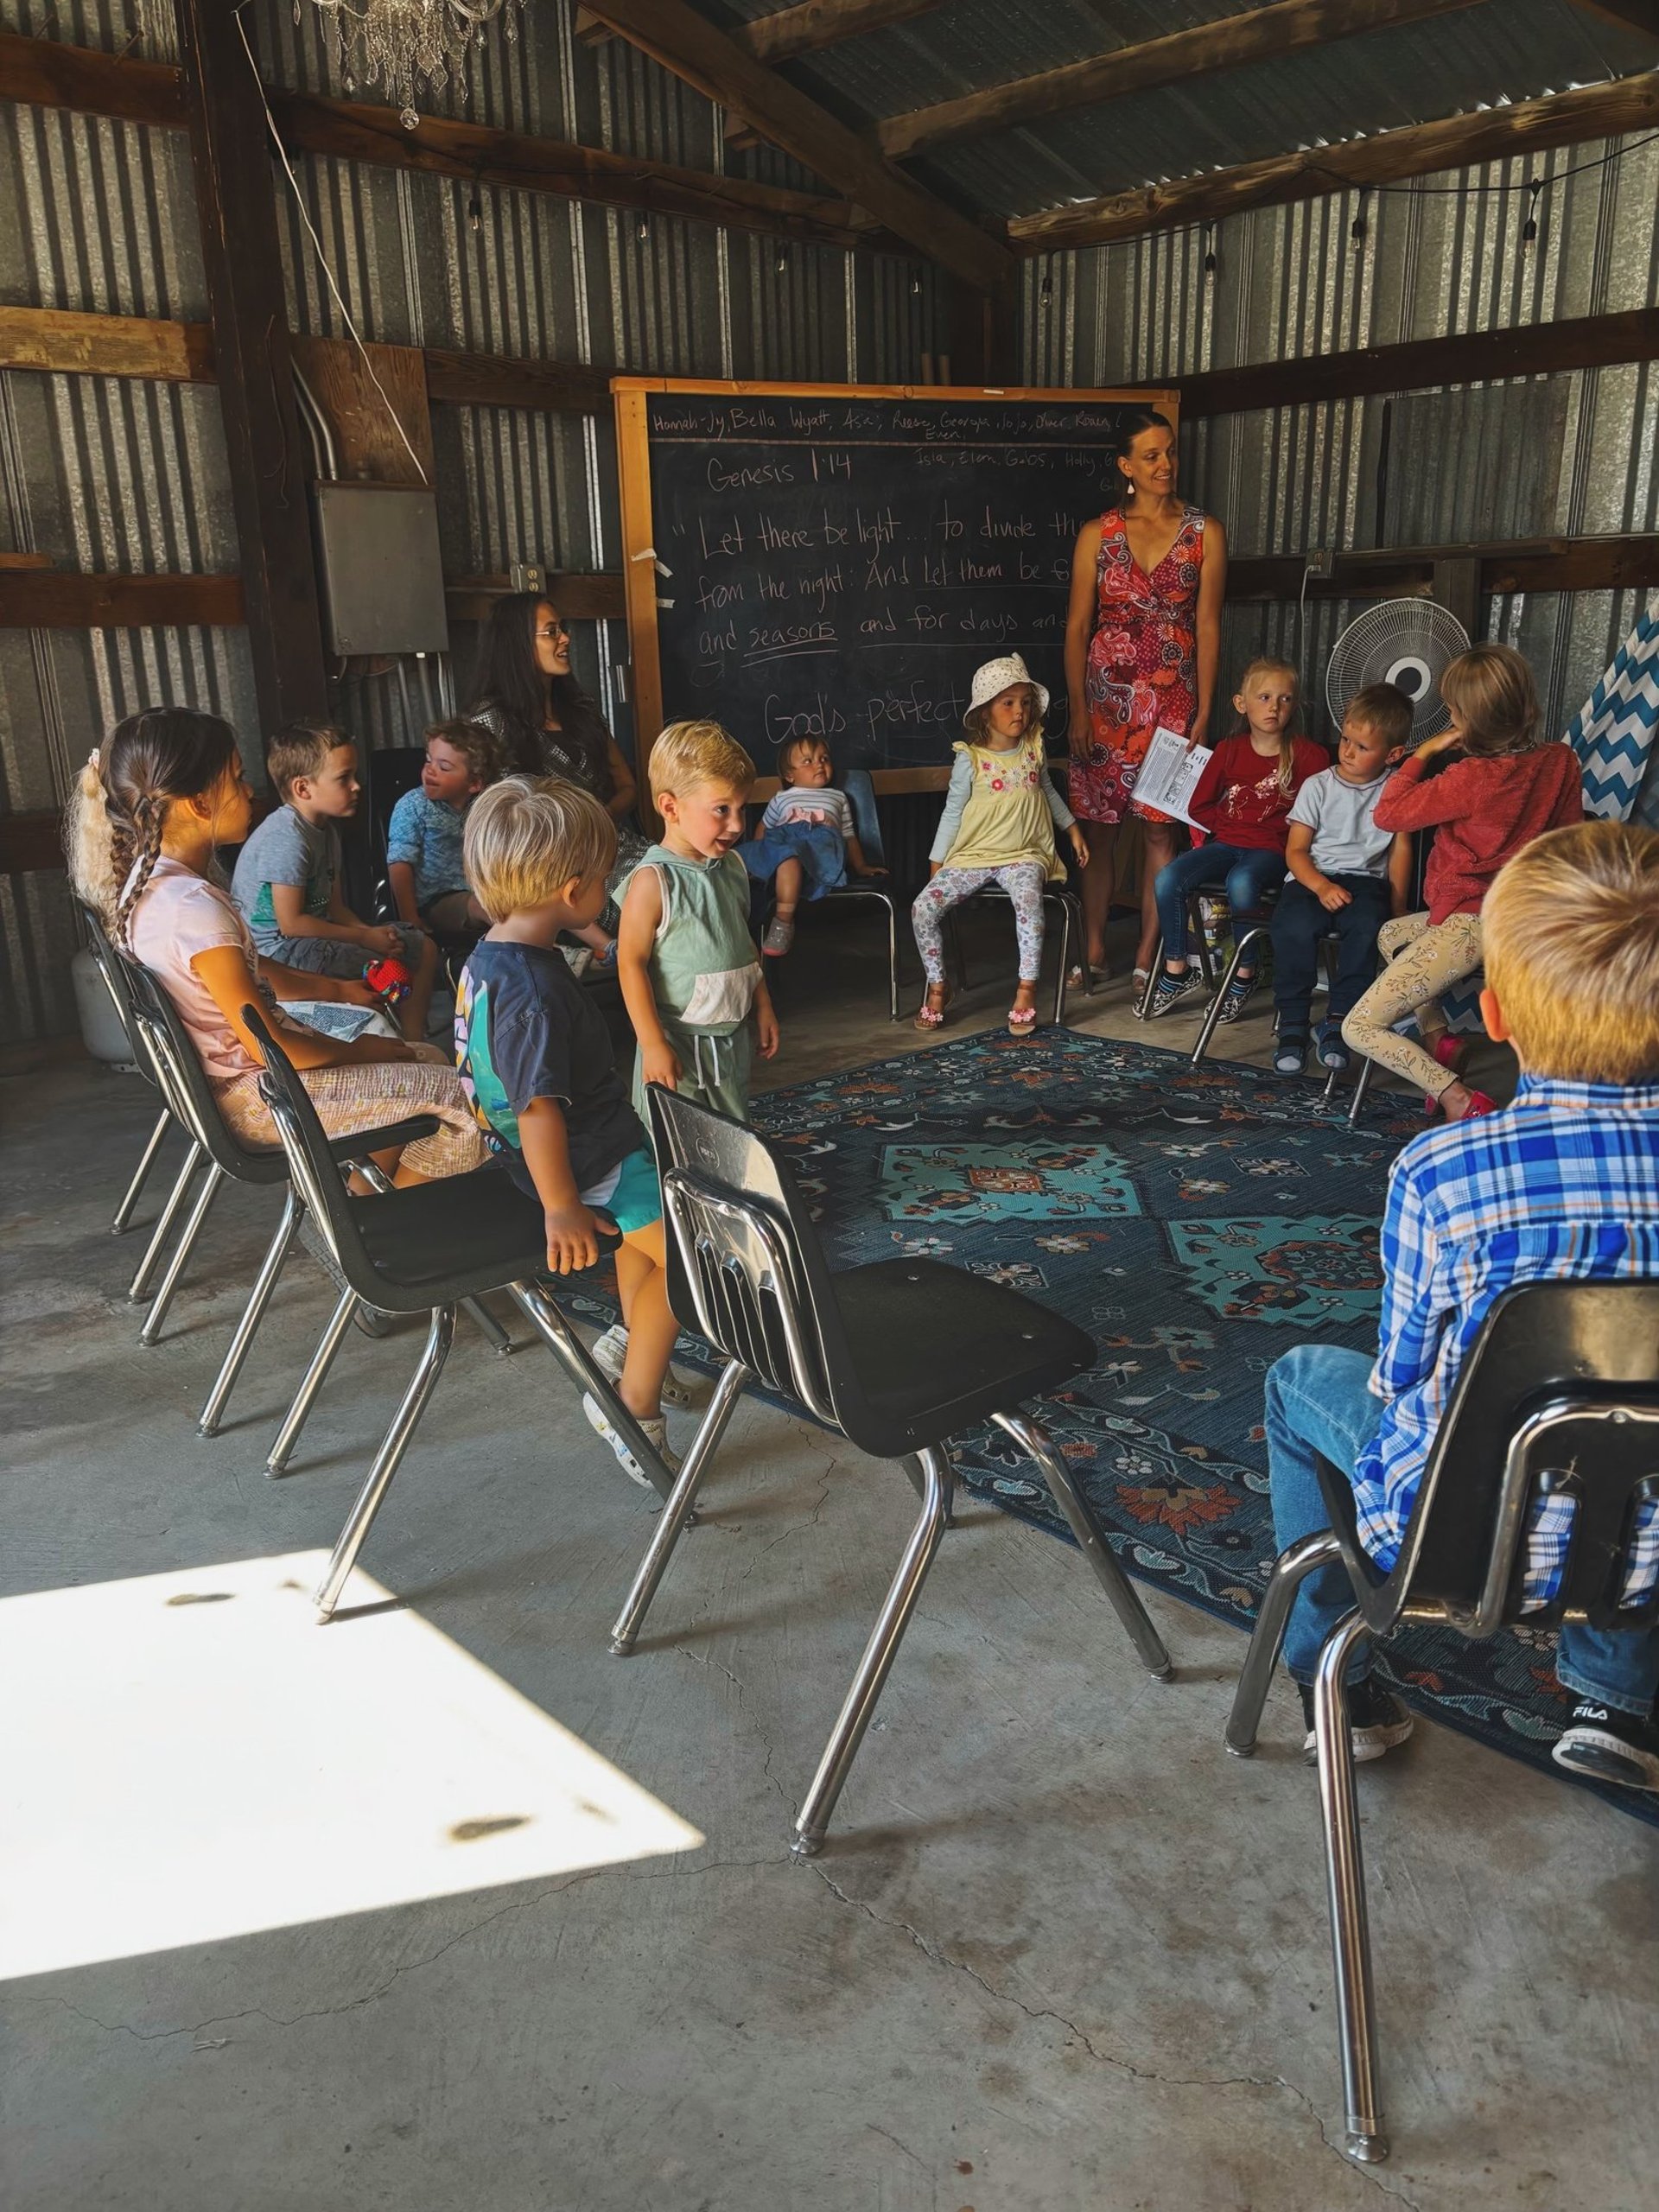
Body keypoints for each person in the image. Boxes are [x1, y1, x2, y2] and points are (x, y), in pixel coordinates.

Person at [1262, 820, 1659, 1786]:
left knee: (1298, 1381)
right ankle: (1617, 1701)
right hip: (1650, 1560)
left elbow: (1402, 1374)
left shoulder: (1444, 1172)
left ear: (1495, 1014)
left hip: (1454, 1537)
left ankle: (1333, 1681)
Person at [71, 708, 487, 1184]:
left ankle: (372, 1199)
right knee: (462, 1095)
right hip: (262, 1098)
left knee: (427, 1061)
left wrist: (338, 992)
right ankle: (387, 1230)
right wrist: (366, 1049)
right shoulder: (192, 911)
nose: (250, 791)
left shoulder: (154, 885)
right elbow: (276, 1048)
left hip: (245, 1086)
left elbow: (252, 973)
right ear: (198, 804)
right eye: (237, 778)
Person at [454, 777, 683, 1484]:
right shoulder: (536, 994)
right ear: (573, 889)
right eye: (606, 879)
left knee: (643, 1251)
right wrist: (561, 1205)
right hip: (592, 1157)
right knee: (691, 1266)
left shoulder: (491, 958)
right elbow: (537, 1109)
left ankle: (626, 1343)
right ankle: (632, 1407)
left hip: (581, 1150)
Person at [1343, 643, 1584, 1122]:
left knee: (1361, 1027)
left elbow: (1389, 813)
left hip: (1470, 925)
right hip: (1518, 917)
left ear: (1469, 721)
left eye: (1452, 712)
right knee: (1392, 934)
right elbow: (1568, 844)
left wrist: (1425, 751)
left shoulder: (1471, 777)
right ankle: (1440, 1040)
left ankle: (1458, 1097)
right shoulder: (1560, 760)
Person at [1065, 406, 1227, 985]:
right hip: (1105, 706)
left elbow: (1207, 626)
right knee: (1101, 829)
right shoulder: (1098, 533)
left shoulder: (1205, 531)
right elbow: (1077, 627)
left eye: (1171, 452)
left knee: (1161, 829)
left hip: (1173, 702)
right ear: (1126, 465)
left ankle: (1146, 953)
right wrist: (1079, 710)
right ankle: (1092, 950)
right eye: (1152, 455)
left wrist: (1206, 708)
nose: (1166, 464)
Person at [912, 654, 1090, 1039]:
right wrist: (937, 860)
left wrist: (1072, 829)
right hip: (973, 855)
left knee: (1028, 899)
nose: (1020, 712)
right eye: (1007, 703)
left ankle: (1027, 988)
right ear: (985, 713)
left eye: (1026, 702)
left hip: (1024, 854)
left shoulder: (1033, 749)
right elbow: (952, 812)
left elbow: (1048, 793)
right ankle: (938, 985)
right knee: (922, 908)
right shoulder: (970, 759)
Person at [466, 591, 647, 963]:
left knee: (680, 878)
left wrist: (601, 819)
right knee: (650, 900)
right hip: (557, 868)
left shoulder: (581, 710)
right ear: (518, 644)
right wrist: (579, 835)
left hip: (616, 845)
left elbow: (627, 785)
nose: (565, 638)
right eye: (551, 632)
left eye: (561, 630)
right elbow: (500, 826)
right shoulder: (491, 722)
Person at [230, 721, 438, 1045]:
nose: (356, 786)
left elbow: (336, 908)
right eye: (344, 778)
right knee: (377, 968)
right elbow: (292, 924)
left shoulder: (327, 831)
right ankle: (393, 1047)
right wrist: (364, 938)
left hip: (311, 939)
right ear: (303, 789)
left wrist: (373, 935)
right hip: (278, 952)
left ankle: (414, 1042)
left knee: (420, 946)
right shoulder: (287, 838)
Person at [616, 720, 780, 1125]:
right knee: (678, 1138)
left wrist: (763, 1005)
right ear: (670, 807)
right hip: (677, 1045)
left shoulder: (732, 868)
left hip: (730, 1040)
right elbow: (629, 963)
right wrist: (652, 1043)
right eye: (722, 810)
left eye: (742, 809)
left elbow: (743, 944)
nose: (739, 824)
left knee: (732, 1130)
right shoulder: (654, 882)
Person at [1143, 658, 1325, 1022]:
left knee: (1241, 881)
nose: (1274, 707)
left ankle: (1244, 974)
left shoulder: (1309, 756)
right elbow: (1199, 805)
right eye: (1265, 697)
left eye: (1285, 699)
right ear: (1242, 703)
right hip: (1226, 844)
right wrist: (1227, 826)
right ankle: (1177, 969)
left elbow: (1322, 814)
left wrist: (1288, 839)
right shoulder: (1229, 749)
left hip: (1273, 850)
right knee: (1168, 879)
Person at [1268, 683, 1415, 1077]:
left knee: (1368, 928)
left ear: (1393, 754)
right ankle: (1294, 1023)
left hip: (1365, 883)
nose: (1347, 751)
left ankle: (1338, 1021)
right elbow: (1296, 851)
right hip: (1311, 878)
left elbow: (1400, 852)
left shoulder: (1397, 792)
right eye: (1345, 740)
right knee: (1293, 927)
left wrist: (1398, 909)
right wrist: (1320, 886)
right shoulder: (1318, 786)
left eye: (1362, 747)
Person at [740, 734, 887, 957]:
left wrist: (861, 866)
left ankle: (783, 922)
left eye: (824, 759)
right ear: (790, 775)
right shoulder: (781, 798)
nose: (820, 764)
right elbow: (764, 828)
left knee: (790, 854)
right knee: (768, 856)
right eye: (808, 761)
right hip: (786, 846)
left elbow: (848, 835)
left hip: (820, 846)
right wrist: (760, 858)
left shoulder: (838, 797)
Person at [385, 716, 504, 940]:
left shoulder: (484, 808)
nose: (430, 770)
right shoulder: (413, 806)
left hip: (484, 890)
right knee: (487, 906)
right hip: (436, 903)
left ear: (474, 783)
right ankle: (547, 950)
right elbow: (399, 865)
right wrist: (410, 919)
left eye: (444, 767)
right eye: (429, 760)